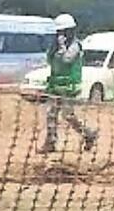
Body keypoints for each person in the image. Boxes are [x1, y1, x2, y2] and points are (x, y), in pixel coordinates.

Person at [40, 13, 98, 153]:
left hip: (69, 86)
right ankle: (51, 142)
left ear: (70, 31)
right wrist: (54, 48)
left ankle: (88, 134)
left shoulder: (75, 45)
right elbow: (49, 59)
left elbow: (67, 59)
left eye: (63, 31)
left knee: (68, 115)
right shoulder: (55, 45)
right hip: (55, 86)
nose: (61, 34)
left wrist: (61, 48)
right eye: (59, 32)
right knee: (51, 113)